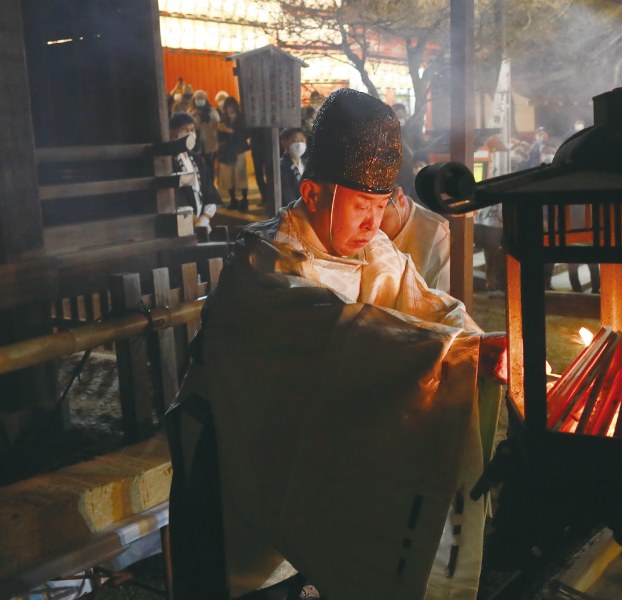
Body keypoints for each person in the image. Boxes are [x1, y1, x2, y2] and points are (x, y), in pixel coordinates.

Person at [167, 87, 506, 600]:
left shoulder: (373, 249)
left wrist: (477, 346)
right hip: (231, 460)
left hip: (306, 466)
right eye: (360, 208)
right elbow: (335, 332)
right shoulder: (265, 264)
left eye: (380, 207)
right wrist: (443, 352)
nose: (372, 225)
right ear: (313, 195)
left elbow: (426, 307)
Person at [380, 186, 451, 292]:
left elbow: (438, 300)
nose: (371, 225)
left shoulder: (435, 236)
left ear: (400, 198)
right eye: (362, 210)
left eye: (380, 213)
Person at [169, 112, 220, 234]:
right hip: (182, 218)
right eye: (184, 130)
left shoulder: (196, 158)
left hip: (201, 219)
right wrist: (192, 218)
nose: (190, 134)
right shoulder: (169, 160)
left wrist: (205, 217)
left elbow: (208, 187)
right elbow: (174, 193)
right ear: (172, 133)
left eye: (192, 130)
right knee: (185, 247)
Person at [217, 96, 250, 211]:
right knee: (229, 176)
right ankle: (233, 200)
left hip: (239, 149)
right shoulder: (223, 118)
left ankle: (245, 200)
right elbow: (220, 137)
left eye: (231, 106)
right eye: (227, 107)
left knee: (240, 176)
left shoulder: (241, 117)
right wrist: (220, 130)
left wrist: (231, 131)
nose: (230, 109)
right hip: (226, 151)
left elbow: (245, 134)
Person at [189, 89, 220, 174]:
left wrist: (207, 117)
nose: (200, 100)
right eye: (198, 98)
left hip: (209, 142)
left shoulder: (211, 110)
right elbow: (187, 124)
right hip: (195, 142)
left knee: (209, 164)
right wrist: (193, 115)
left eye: (202, 98)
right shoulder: (191, 111)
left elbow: (216, 121)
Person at [278, 127, 307, 205]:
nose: (299, 144)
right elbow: (287, 195)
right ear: (284, 142)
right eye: (294, 140)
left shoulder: (307, 164)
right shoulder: (281, 166)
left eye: (302, 140)